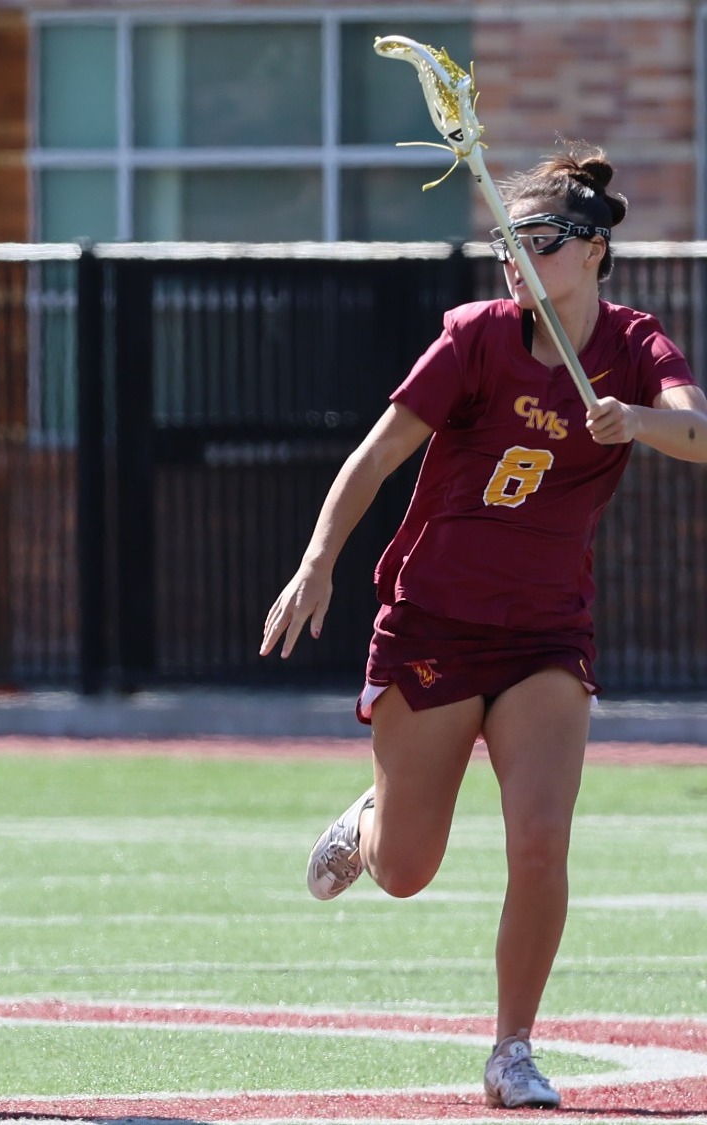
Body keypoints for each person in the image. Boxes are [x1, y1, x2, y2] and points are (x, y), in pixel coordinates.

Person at [259, 146, 707, 1109]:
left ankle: (512, 1047)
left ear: (592, 250)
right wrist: (315, 564)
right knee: (409, 873)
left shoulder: (636, 346)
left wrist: (635, 418)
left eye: (538, 243)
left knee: (541, 842)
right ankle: (373, 819)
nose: (517, 261)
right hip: (435, 621)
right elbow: (372, 461)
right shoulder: (473, 338)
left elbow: (698, 433)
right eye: (508, 244)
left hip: (547, 633)